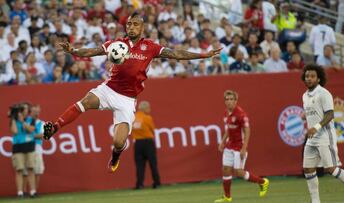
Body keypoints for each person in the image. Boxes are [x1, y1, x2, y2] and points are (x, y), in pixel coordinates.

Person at [42, 12, 221, 173]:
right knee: (85, 102)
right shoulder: (116, 44)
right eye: (129, 24)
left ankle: (116, 154)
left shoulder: (151, 47)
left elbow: (176, 54)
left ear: (142, 27)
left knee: (119, 142)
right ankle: (54, 128)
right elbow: (93, 51)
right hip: (108, 89)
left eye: (135, 24)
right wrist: (73, 50)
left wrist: (203, 55)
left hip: (127, 100)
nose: (131, 27)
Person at [301, 64, 344, 203]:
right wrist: (307, 118)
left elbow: (330, 115)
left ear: (319, 79)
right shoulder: (304, 96)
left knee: (331, 169)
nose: (309, 78)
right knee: (308, 169)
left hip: (325, 137)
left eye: (312, 76)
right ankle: (316, 201)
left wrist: (315, 127)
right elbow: (315, 112)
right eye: (307, 76)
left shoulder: (324, 93)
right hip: (312, 139)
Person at [214, 90, 269, 203]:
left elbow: (247, 131)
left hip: (239, 147)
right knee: (225, 170)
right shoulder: (226, 113)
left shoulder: (241, 114)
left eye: (231, 99)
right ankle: (227, 197)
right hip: (229, 146)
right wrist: (222, 142)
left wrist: (244, 148)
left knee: (239, 172)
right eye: (227, 99)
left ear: (236, 101)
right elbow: (228, 129)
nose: (229, 101)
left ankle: (262, 182)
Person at [9, 103, 37, 198]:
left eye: (24, 109)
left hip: (29, 146)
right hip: (18, 147)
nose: (23, 111)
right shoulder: (14, 120)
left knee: (31, 169)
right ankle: (20, 192)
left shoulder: (31, 119)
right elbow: (14, 131)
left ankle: (33, 191)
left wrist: (23, 122)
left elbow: (31, 129)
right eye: (22, 109)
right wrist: (13, 118)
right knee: (19, 170)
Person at [131, 101, 160, 189]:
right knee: (153, 164)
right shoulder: (147, 118)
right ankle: (156, 182)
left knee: (139, 165)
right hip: (148, 143)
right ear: (145, 108)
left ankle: (139, 184)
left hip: (138, 143)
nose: (149, 110)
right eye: (149, 108)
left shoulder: (133, 118)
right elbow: (152, 129)